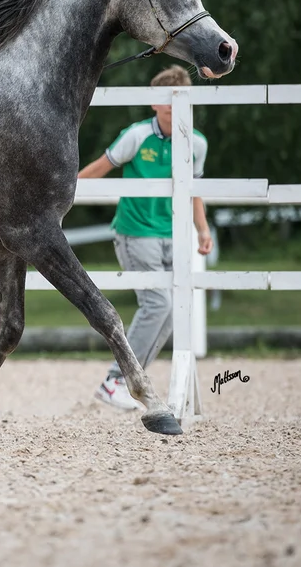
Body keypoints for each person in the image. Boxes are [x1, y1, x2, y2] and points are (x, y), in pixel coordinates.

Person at [77, 64, 214, 411]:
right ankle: (116, 380)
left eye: (179, 100)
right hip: (135, 232)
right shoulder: (136, 136)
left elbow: (194, 190)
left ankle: (127, 382)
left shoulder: (197, 142)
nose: (172, 106)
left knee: (172, 310)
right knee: (159, 304)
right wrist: (62, 193)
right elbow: (100, 167)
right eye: (166, 100)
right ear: (154, 103)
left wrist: (203, 229)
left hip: (174, 233)